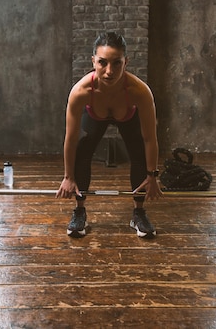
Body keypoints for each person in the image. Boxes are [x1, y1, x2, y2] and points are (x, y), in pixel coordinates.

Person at [56, 32, 162, 238]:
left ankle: (139, 213)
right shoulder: (81, 92)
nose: (109, 71)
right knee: (83, 149)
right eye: (103, 63)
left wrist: (152, 176)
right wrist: (68, 177)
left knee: (139, 151)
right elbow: (70, 138)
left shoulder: (140, 91)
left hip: (128, 116)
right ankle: (79, 210)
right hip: (95, 114)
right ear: (93, 61)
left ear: (126, 62)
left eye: (117, 63)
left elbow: (150, 138)